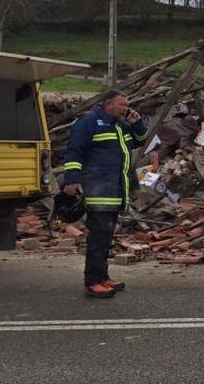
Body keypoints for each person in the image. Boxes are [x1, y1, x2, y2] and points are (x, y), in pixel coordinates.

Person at [63, 89, 148, 298]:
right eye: (122, 104)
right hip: (97, 191)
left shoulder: (119, 126)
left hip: (113, 191)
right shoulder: (89, 121)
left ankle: (102, 277)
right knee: (99, 237)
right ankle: (93, 282)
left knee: (106, 236)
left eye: (126, 104)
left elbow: (139, 140)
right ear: (107, 104)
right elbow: (75, 149)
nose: (126, 108)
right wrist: (72, 179)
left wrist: (137, 123)